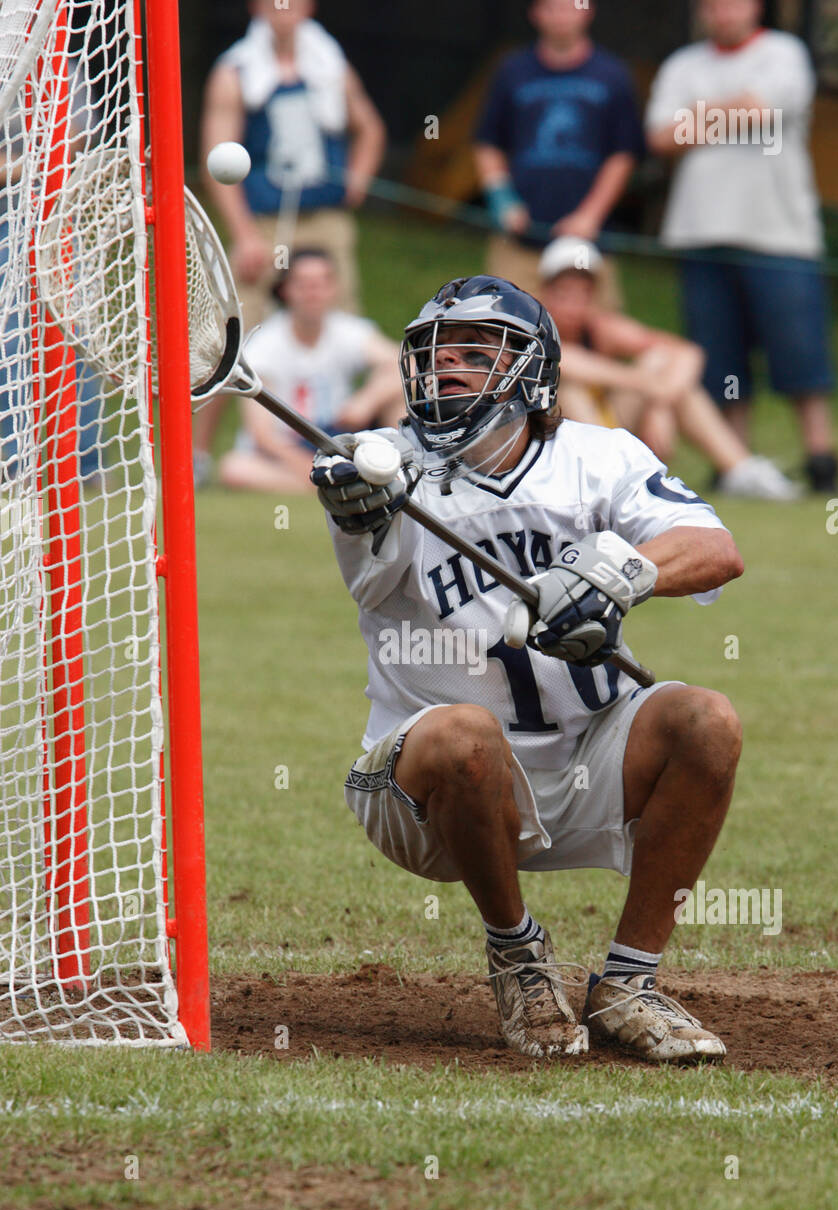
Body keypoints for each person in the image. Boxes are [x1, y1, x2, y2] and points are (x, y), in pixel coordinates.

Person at [309, 274, 745, 1064]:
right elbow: (371, 564)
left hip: (586, 761)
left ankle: (629, 984)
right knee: (466, 735)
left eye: (475, 353)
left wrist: (614, 579)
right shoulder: (384, 469)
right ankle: (518, 957)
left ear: (533, 372)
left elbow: (716, 551)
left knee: (706, 719)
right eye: (435, 355)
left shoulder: (599, 455)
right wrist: (355, 506)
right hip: (427, 788)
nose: (446, 370)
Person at [645, 0, 838, 492]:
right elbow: (661, 138)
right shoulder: (682, 64)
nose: (723, 11)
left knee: (799, 352)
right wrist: (733, 110)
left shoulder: (784, 53)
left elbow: (763, 110)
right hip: (700, 232)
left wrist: (699, 117)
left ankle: (821, 460)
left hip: (779, 233)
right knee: (720, 355)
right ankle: (736, 463)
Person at [196, 0, 386, 477]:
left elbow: (371, 129)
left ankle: (364, 453)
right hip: (262, 222)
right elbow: (215, 162)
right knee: (230, 342)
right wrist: (242, 236)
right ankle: (196, 459)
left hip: (324, 220)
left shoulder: (329, 63)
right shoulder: (235, 71)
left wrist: (358, 180)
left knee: (342, 326)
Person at [539, 236, 801, 499]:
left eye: (582, 294)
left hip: (607, 425)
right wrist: (647, 382)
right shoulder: (534, 329)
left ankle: (740, 470)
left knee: (661, 363)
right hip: (556, 448)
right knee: (571, 388)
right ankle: (602, 476)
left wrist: (659, 404)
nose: (573, 305)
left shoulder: (602, 327)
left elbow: (689, 353)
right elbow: (569, 363)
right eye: (564, 293)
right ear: (546, 292)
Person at [473, 0, 643, 300]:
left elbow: (623, 154)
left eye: (570, 6)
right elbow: (488, 143)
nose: (561, 16)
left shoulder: (613, 75)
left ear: (588, 11)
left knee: (592, 337)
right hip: (519, 242)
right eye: (551, 7)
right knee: (507, 329)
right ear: (535, 14)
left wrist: (589, 216)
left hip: (589, 247)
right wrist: (502, 199)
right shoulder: (512, 70)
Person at [219, 249, 402, 494]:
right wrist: (305, 466)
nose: (313, 293)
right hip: (292, 444)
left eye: (321, 283)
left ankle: (394, 475)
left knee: (399, 398)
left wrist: (365, 402)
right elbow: (262, 434)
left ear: (334, 288)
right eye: (304, 284)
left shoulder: (348, 330)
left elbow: (405, 363)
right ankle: (342, 482)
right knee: (234, 468)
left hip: (341, 434)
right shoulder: (264, 345)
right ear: (285, 290)